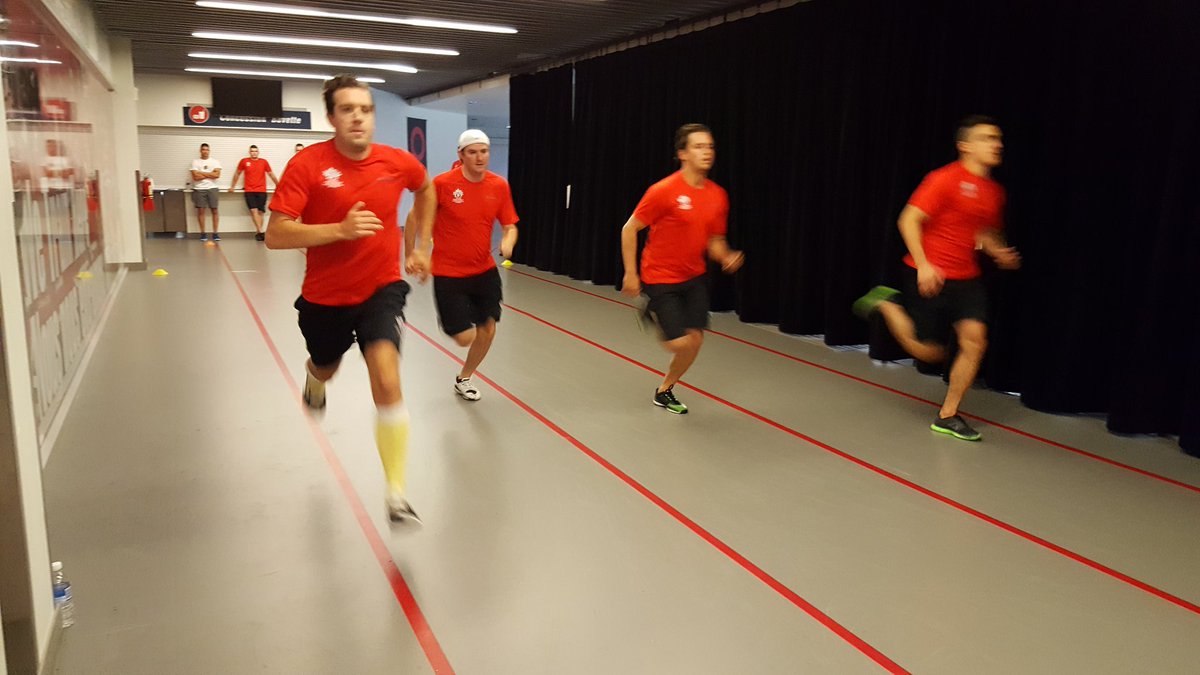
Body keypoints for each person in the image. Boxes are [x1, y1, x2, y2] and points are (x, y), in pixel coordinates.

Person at [265, 75, 436, 523]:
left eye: (365, 108)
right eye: (347, 109)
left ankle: (396, 492)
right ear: (331, 118)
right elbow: (276, 234)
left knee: (387, 376)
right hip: (325, 297)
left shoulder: (396, 162)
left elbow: (425, 187)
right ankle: (315, 379)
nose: (358, 117)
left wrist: (420, 245)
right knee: (326, 364)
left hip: (381, 288)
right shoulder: (308, 165)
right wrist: (339, 230)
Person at [853, 115, 1021, 441]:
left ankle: (948, 415)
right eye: (988, 138)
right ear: (965, 145)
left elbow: (984, 232)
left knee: (975, 340)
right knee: (930, 353)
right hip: (928, 272)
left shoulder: (994, 192)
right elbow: (908, 219)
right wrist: (925, 264)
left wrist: (997, 250)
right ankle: (887, 304)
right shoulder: (943, 179)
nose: (997, 144)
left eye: (998, 138)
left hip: (967, 278)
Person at [620, 123, 743, 414]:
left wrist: (725, 256)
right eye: (699, 146)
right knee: (678, 343)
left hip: (694, 277)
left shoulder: (717, 195)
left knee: (695, 341)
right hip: (659, 276)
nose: (707, 152)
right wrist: (630, 273)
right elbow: (629, 229)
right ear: (682, 154)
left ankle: (665, 390)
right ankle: (649, 310)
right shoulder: (663, 191)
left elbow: (714, 240)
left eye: (710, 146)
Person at [421, 129, 518, 401]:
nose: (479, 157)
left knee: (488, 329)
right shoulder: (442, 184)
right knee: (465, 337)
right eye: (472, 152)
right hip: (448, 274)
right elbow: (421, 218)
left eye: (484, 151)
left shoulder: (499, 186)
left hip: (484, 270)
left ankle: (464, 378)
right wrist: (418, 252)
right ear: (461, 155)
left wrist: (508, 241)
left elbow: (510, 225)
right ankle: (455, 323)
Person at [227, 145, 280, 241]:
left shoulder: (264, 162)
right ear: (249, 152)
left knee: (261, 212)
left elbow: (271, 174)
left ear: (258, 152)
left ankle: (259, 233)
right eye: (252, 151)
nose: (254, 153)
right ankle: (260, 231)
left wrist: (278, 185)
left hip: (261, 191)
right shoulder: (244, 161)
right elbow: (237, 173)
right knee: (253, 211)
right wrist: (232, 186)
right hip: (249, 191)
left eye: (255, 151)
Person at [189, 143, 222, 241]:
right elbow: (195, 177)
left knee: (215, 210)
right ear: (200, 151)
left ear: (209, 151)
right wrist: (210, 174)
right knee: (201, 211)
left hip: (212, 188)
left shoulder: (215, 162)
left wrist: (201, 173)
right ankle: (203, 233)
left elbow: (217, 175)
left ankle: (215, 233)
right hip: (199, 189)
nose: (205, 151)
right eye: (203, 149)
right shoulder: (195, 162)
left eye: (207, 150)